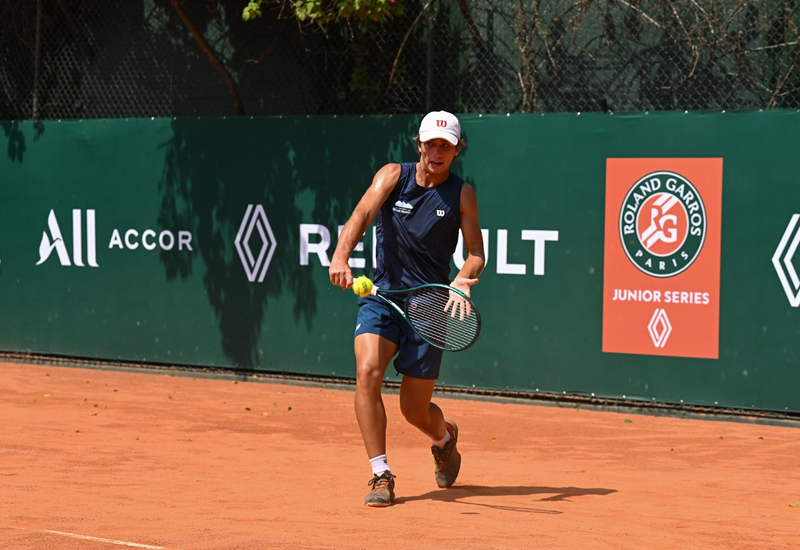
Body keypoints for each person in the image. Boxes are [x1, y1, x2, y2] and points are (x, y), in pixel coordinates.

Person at [328, 111, 485, 507]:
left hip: (429, 306)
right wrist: (341, 256)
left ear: (456, 151)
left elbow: (476, 254)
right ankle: (381, 474)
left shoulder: (461, 194)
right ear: (419, 144)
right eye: (430, 143)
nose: (436, 151)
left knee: (414, 411)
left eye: (445, 146)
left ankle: (444, 438)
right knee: (367, 372)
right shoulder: (392, 176)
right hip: (381, 297)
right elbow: (361, 215)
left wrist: (462, 279)